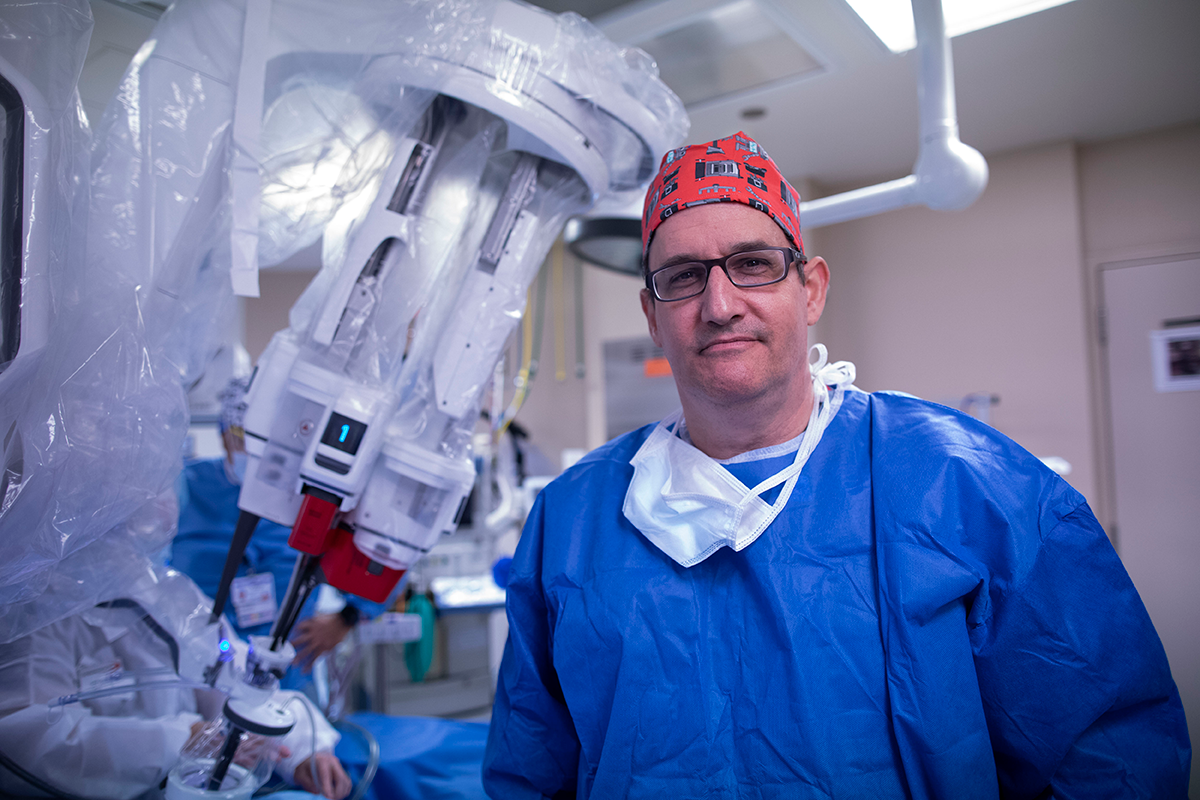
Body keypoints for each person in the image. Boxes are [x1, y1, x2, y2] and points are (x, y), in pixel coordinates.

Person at [482, 132, 1191, 798]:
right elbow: (530, 768)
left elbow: (1104, 755)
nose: (720, 304)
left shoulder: (965, 486)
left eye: (752, 264)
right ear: (651, 312)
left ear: (812, 288)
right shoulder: (573, 518)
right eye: (684, 276)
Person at [0, 565, 352, 800]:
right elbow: (32, 745)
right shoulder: (32, 616)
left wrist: (305, 749)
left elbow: (238, 680)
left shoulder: (164, 590)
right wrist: (184, 739)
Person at [173, 378, 381, 671]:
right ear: (223, 437)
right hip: (197, 665)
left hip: (288, 666)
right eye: (245, 440)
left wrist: (347, 618)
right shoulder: (186, 487)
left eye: (268, 443)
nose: (257, 454)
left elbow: (376, 555)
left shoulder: (308, 496)